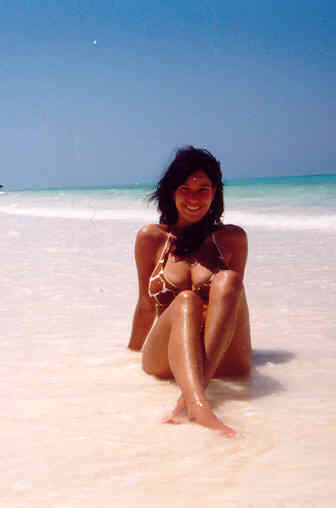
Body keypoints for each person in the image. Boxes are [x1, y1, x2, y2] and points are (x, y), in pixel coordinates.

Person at [128, 146, 252, 436]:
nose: (194, 199)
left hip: (222, 359)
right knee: (186, 301)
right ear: (172, 191)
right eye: (185, 189)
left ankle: (190, 400)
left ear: (214, 193)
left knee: (228, 281)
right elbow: (145, 305)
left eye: (203, 190)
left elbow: (233, 306)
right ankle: (197, 403)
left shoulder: (232, 239)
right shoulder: (151, 238)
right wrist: (130, 356)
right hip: (168, 359)